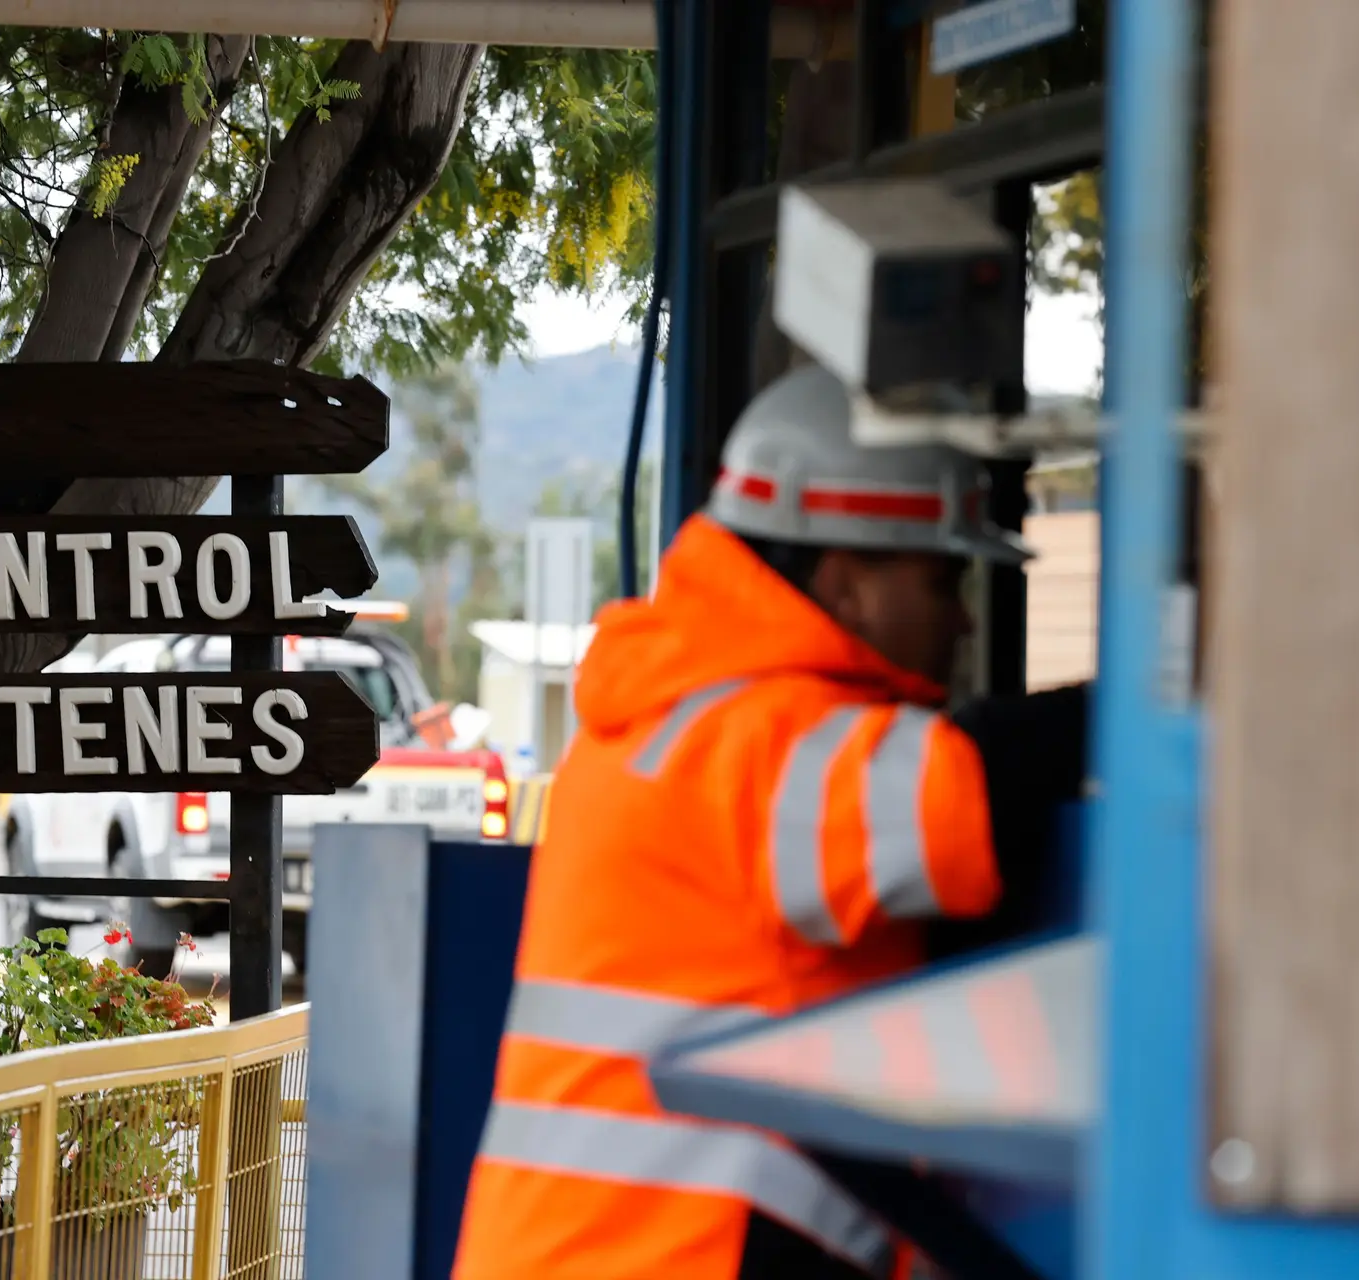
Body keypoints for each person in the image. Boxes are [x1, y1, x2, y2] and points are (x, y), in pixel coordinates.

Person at [451, 364, 1087, 1279]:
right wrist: (1182, 704)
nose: (962, 623)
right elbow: (967, 785)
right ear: (843, 583)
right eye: (945, 580)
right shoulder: (758, 742)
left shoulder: (673, 720)